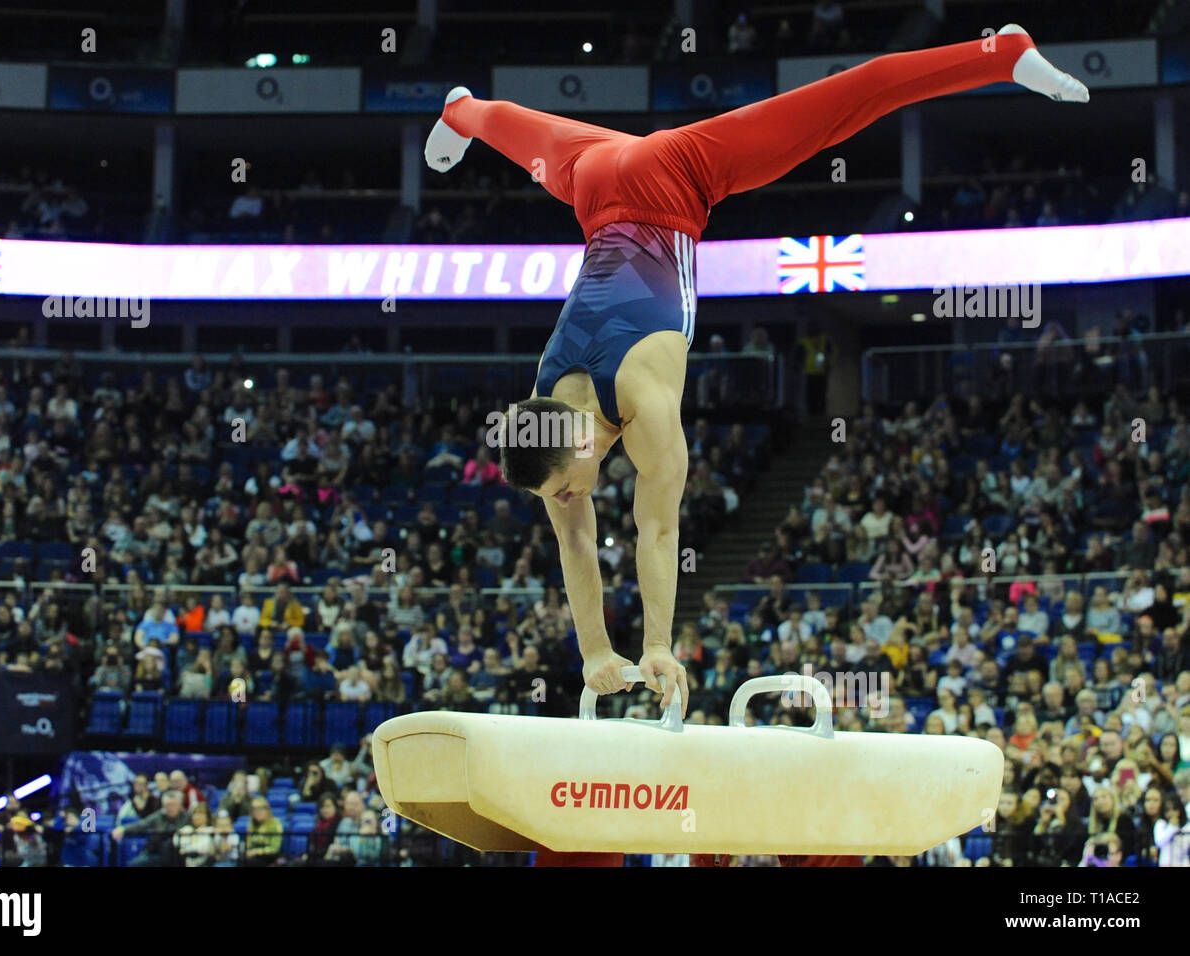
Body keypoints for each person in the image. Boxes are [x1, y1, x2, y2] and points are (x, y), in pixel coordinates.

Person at [436, 28, 1089, 777]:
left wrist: (653, 645)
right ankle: (457, 110)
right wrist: (592, 652)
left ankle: (1001, 52)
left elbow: (655, 533)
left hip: (672, 177)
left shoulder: (645, 404)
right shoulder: (545, 424)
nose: (571, 500)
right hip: (591, 183)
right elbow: (576, 545)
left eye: (567, 487)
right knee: (504, 127)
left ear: (581, 443)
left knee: (843, 101)